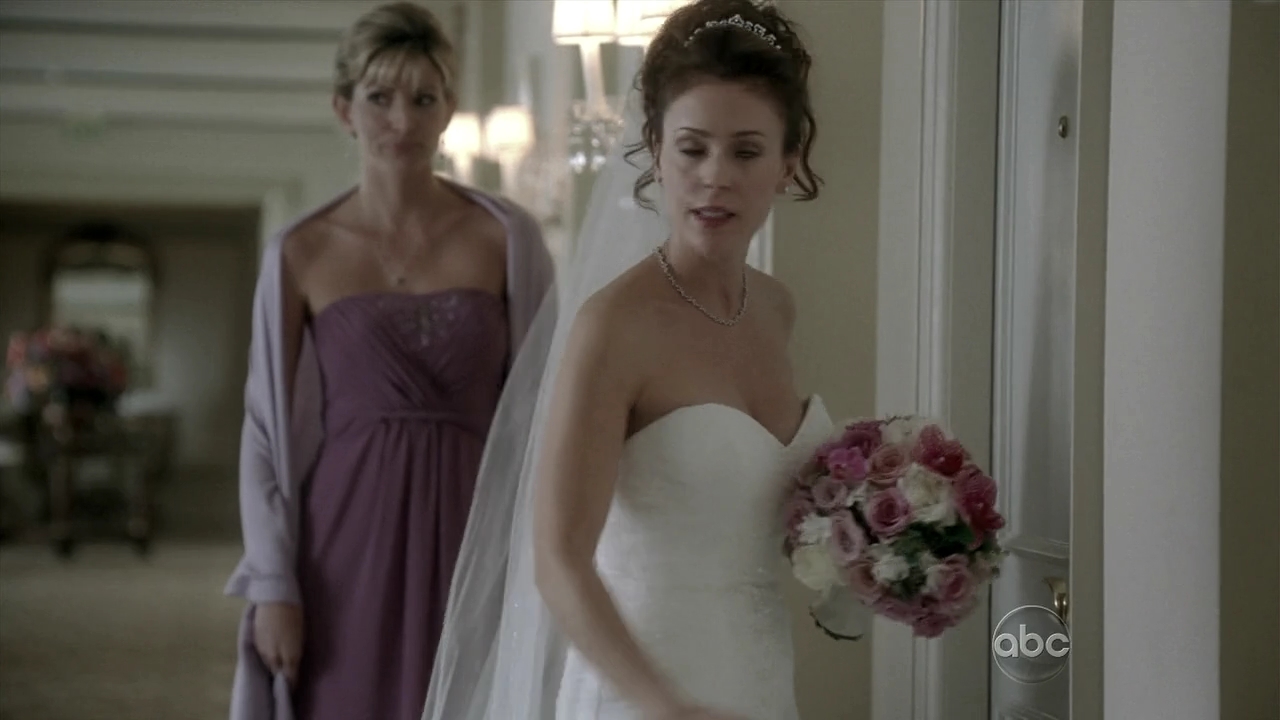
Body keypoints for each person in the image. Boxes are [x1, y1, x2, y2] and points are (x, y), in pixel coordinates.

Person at [419, 1, 841, 719]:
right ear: (655, 150)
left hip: (760, 674)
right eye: (692, 148)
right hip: (640, 689)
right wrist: (664, 705)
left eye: (746, 151)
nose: (715, 176)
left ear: (786, 163)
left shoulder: (777, 309)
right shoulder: (613, 324)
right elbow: (559, 560)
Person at [224, 3, 556, 720]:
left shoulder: (508, 239)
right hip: (342, 543)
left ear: (449, 111)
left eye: (423, 99)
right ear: (344, 109)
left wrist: (545, 560)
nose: (402, 120)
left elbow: (545, 410)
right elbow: (263, 434)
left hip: (477, 531)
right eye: (380, 98)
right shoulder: (301, 251)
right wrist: (273, 584)